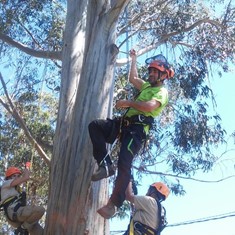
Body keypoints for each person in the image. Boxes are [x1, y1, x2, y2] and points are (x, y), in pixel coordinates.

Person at [88, 49, 174, 219]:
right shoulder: (147, 86)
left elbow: (150, 106)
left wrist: (128, 102)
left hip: (137, 131)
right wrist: (133, 59)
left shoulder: (162, 92)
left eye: (154, 71)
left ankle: (114, 204)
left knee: (124, 163)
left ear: (163, 76)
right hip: (124, 125)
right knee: (95, 126)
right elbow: (133, 79)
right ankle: (105, 164)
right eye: (149, 70)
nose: (150, 74)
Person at [0, 166, 45, 235]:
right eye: (14, 176)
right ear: (8, 178)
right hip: (14, 211)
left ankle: (23, 229)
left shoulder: (18, 191)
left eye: (18, 176)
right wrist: (27, 171)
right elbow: (26, 178)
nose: (17, 178)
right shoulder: (6, 183)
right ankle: (23, 228)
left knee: (41, 232)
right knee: (40, 210)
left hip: (19, 217)